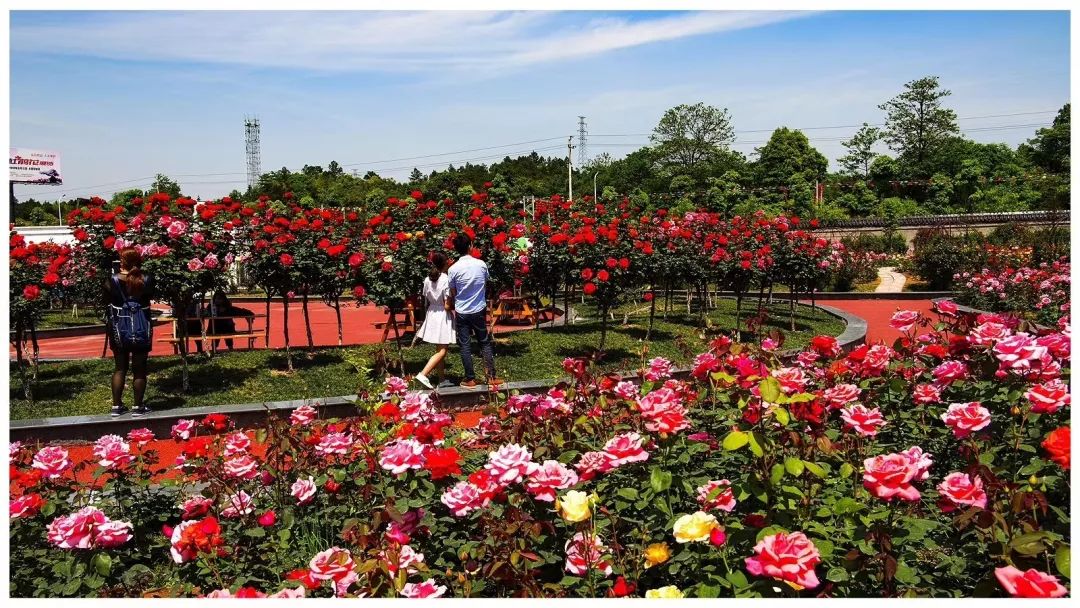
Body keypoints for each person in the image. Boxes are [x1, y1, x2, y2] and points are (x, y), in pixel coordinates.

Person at [104, 247, 154, 417]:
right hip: (141, 326)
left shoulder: (113, 279)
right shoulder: (146, 279)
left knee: (120, 368)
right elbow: (150, 296)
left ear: (123, 261)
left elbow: (106, 299)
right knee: (139, 369)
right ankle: (138, 406)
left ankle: (116, 406)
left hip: (119, 327)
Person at [447, 234, 502, 389]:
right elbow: (484, 282)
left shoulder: (453, 269)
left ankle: (470, 378)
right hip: (478, 309)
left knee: (465, 345)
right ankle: (491, 377)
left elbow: (453, 291)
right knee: (484, 342)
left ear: (456, 249)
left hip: (462, 311)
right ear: (470, 245)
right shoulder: (481, 264)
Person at [413, 252, 455, 390]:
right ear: (445, 263)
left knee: (439, 348)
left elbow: (426, 297)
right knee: (442, 350)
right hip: (442, 315)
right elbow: (447, 305)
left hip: (432, 312)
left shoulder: (427, 279)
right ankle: (423, 374)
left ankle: (441, 379)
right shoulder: (446, 279)